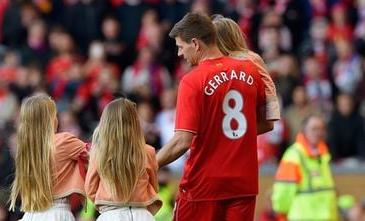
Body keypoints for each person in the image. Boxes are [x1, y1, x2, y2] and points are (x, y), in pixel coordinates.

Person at [156, 13, 272, 220]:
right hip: (243, 185)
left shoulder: (192, 81)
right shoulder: (251, 70)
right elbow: (267, 123)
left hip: (203, 186)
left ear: (195, 43)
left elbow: (182, 142)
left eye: (181, 47)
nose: (179, 54)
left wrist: (148, 164)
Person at [9, 93, 88, 221]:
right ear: (49, 119)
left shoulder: (24, 149)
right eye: (54, 114)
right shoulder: (63, 141)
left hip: (30, 215)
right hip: (57, 214)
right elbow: (99, 156)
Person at [85, 98, 162, 221]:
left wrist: (107, 201)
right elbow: (153, 187)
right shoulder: (148, 151)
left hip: (110, 214)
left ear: (105, 123)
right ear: (135, 121)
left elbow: (90, 188)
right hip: (141, 215)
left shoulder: (97, 153)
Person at [211, 14, 280, 121]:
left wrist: (273, 114)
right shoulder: (214, 62)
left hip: (249, 112)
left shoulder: (250, 58)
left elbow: (268, 83)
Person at [271, 114, 338, 220]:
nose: (319, 133)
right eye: (314, 129)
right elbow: (283, 191)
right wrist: (282, 214)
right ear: (304, 131)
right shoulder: (294, 155)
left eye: (322, 129)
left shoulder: (324, 155)